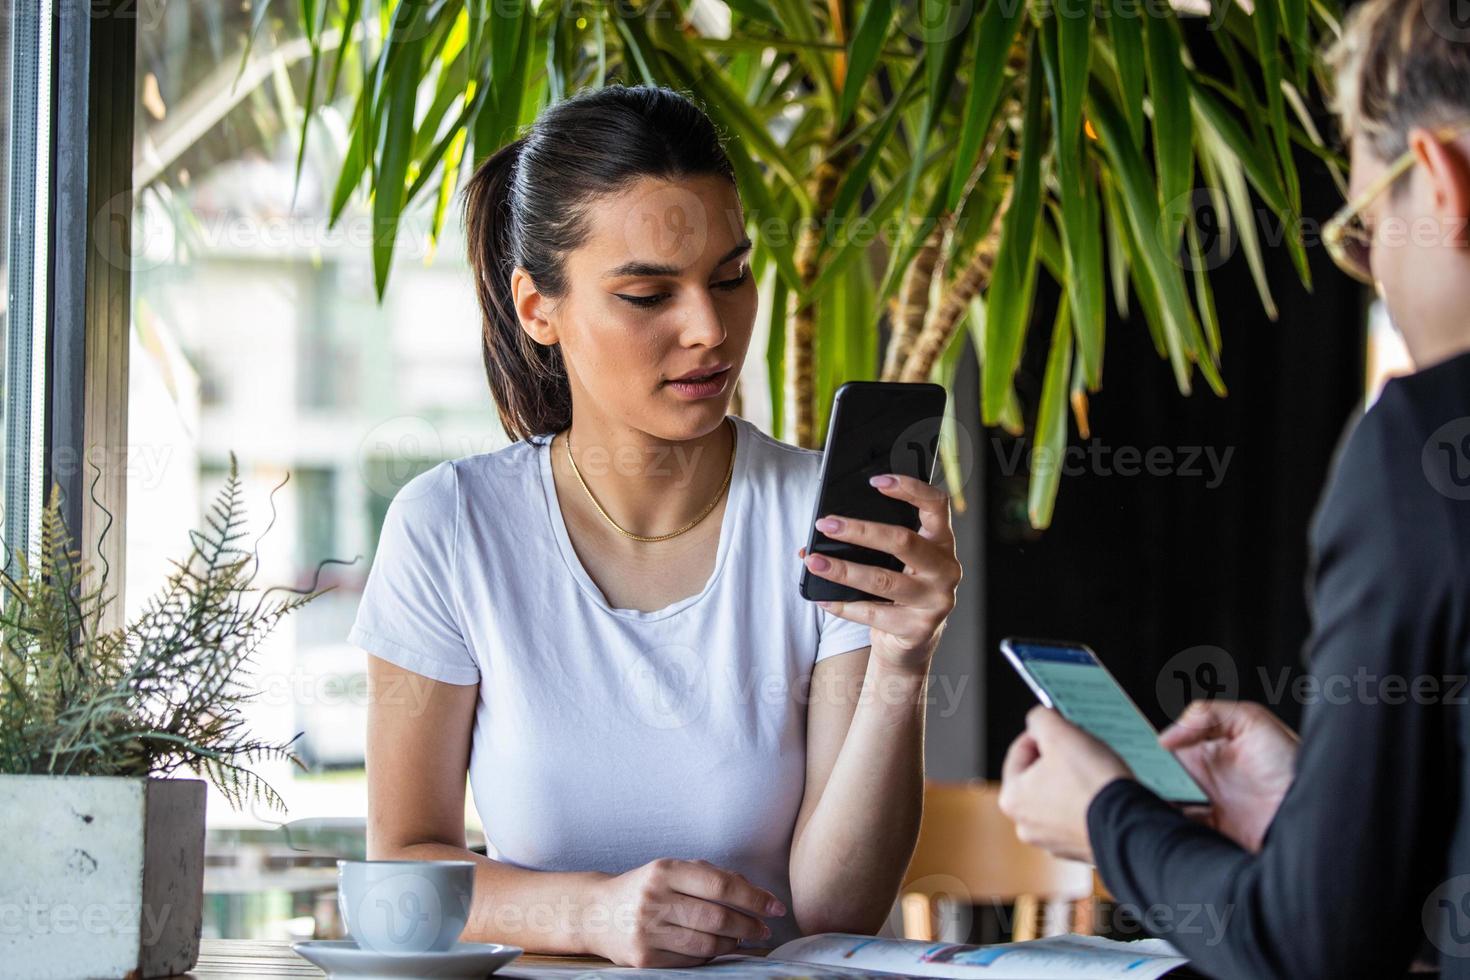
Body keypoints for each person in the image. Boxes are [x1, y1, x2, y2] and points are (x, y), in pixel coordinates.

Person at [349, 84, 963, 968]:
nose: (710, 330)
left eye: (730, 276)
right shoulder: (451, 527)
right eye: (647, 295)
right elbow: (400, 874)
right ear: (538, 309)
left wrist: (905, 660)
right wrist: (591, 915)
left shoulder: (820, 520)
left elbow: (836, 909)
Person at [997, 0, 1470, 976]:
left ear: (1440, 182)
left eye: (1364, 224)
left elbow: (1309, 948)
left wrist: (1108, 814)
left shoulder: (1423, 455)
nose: (1374, 267)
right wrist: (1324, 814)